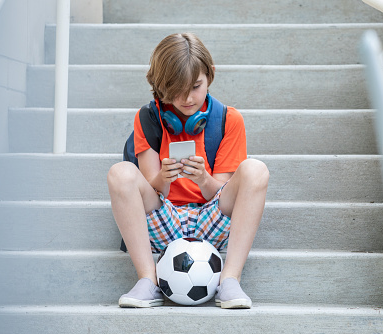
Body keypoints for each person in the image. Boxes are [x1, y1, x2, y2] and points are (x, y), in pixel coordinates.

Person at [107, 33, 269, 309]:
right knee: (120, 172)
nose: (186, 98)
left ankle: (229, 280)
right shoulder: (148, 118)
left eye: (195, 86)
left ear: (210, 75)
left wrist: (203, 178)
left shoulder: (229, 120)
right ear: (160, 86)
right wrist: (165, 178)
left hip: (211, 217)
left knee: (256, 170)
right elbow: (149, 189)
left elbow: (224, 192)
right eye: (176, 90)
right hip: (164, 215)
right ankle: (148, 279)